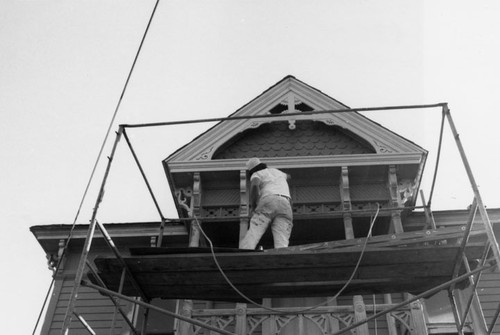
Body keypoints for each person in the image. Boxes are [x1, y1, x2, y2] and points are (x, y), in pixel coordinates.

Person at [239, 157, 293, 249]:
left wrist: (253, 205)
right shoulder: (277, 172)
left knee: (256, 229)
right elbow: (288, 176)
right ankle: (282, 252)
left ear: (251, 170)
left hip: (268, 200)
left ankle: (246, 249)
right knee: (282, 235)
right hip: (285, 203)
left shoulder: (256, 174)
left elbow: (255, 185)